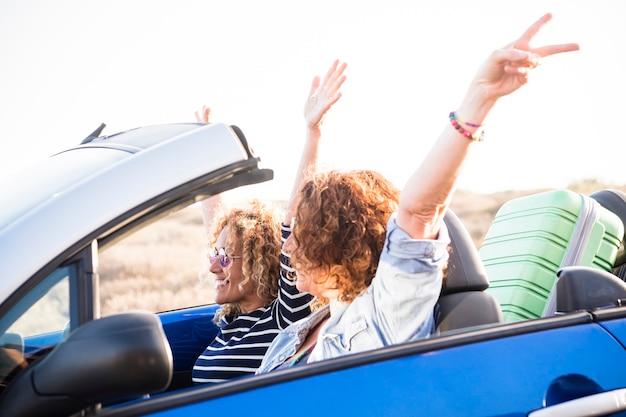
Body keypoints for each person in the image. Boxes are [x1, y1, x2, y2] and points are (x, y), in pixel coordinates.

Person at [256, 13, 579, 373]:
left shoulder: (387, 310)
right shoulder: (308, 325)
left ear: (337, 241)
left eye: (301, 235)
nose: (285, 246)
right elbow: (294, 216)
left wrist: (480, 98)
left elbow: (418, 212)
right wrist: (312, 132)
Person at [191, 60, 348, 383]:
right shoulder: (231, 320)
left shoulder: (282, 318)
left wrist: (313, 133)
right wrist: (206, 156)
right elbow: (217, 227)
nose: (213, 267)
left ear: (257, 263)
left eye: (223, 258)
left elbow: (293, 218)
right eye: (214, 256)